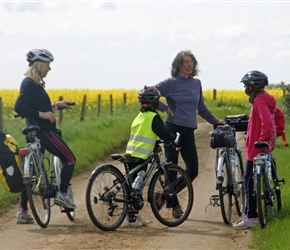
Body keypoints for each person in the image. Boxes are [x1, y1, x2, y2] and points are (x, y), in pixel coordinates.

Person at [14, 49, 76, 224]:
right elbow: (19, 106)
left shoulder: (32, 83)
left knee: (32, 174)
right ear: (40, 65)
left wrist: (55, 106)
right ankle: (63, 194)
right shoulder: (29, 83)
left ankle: (23, 211)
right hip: (45, 132)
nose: (49, 68)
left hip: (33, 133)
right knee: (70, 159)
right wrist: (43, 115)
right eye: (48, 64)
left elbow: (34, 105)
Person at [154, 50, 225, 193]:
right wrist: (164, 108)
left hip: (189, 131)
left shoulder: (196, 83)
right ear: (178, 65)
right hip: (172, 129)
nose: (189, 65)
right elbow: (149, 93)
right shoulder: (170, 82)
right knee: (171, 168)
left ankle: (164, 195)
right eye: (185, 62)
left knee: (193, 170)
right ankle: (174, 205)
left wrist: (215, 121)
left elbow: (201, 107)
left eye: (191, 61)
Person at [233, 70, 285, 230]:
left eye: (246, 86)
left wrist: (262, 138)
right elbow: (279, 116)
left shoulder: (259, 100)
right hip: (264, 144)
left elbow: (266, 123)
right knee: (258, 177)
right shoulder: (268, 99)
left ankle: (251, 216)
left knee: (248, 180)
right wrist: (279, 131)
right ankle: (266, 205)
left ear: (252, 87)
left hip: (257, 146)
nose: (245, 89)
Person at [124, 86, 180, 227]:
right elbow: (165, 134)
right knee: (137, 187)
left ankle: (133, 216)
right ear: (155, 102)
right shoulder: (153, 117)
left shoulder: (139, 117)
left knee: (133, 189)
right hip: (141, 156)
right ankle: (128, 219)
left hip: (130, 154)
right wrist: (174, 139)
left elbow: (144, 134)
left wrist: (155, 144)